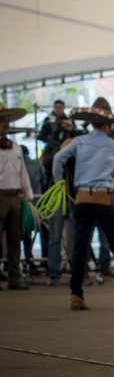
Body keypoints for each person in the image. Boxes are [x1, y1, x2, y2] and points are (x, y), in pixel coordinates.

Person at [52, 98, 114, 310]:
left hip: (82, 197)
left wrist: (60, 184)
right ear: (108, 124)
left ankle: (76, 295)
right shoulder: (112, 145)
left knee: (80, 246)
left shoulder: (80, 141)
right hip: (103, 197)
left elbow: (58, 160)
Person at [0, 102, 34, 290]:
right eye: (2, 120)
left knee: (15, 239)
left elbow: (23, 174)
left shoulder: (15, 147)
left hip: (15, 197)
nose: (5, 123)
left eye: (7, 120)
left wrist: (28, 196)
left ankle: (15, 276)